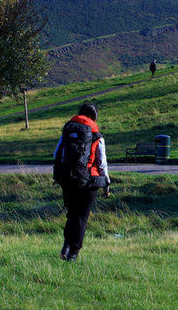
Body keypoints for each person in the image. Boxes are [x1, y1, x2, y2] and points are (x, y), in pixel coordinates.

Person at [53, 102, 110, 261]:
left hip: (68, 178)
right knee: (81, 218)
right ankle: (73, 253)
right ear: (95, 116)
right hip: (89, 181)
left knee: (72, 215)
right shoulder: (97, 136)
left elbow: (56, 154)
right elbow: (102, 163)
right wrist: (106, 183)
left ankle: (67, 245)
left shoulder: (67, 132)